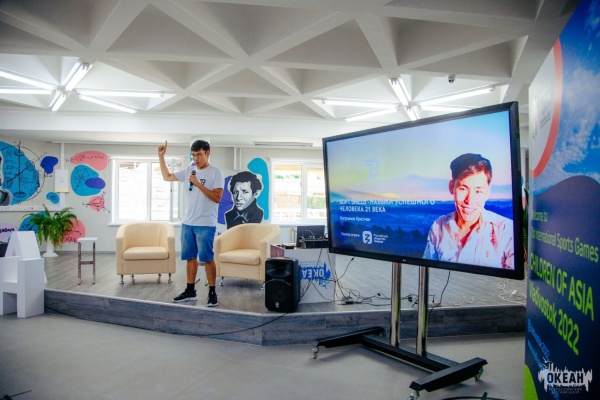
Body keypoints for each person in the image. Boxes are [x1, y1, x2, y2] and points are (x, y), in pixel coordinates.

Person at [158, 140, 224, 306]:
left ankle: (212, 293)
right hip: (188, 223)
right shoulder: (189, 170)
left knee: (207, 259)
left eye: (199, 154)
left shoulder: (215, 173)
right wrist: (161, 157)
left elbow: (217, 198)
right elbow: (167, 177)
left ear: (207, 153)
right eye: (194, 155)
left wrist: (197, 184)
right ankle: (190, 291)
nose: (196, 158)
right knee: (190, 258)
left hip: (205, 224)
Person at [423, 153, 514, 269]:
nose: (469, 200)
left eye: (478, 191)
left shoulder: (506, 231)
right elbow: (430, 270)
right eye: (463, 189)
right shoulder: (439, 226)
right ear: (451, 187)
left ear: (487, 192)